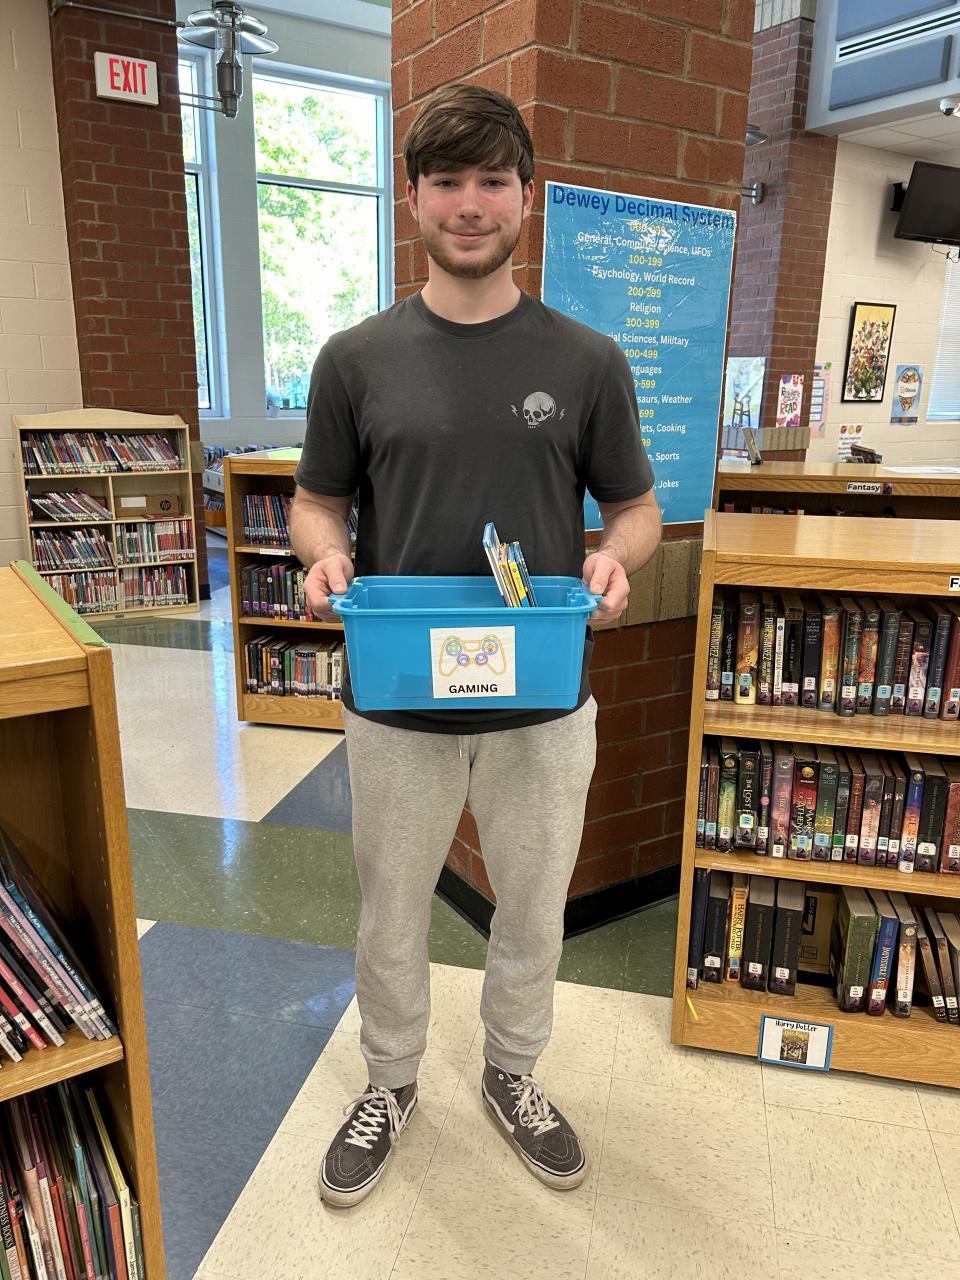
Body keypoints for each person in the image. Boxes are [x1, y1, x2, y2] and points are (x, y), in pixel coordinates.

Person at [289, 83, 662, 1210]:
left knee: (534, 906)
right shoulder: (354, 358)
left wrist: (615, 558)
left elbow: (636, 507)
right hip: (397, 696)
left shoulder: (587, 359)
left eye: (492, 180)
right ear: (412, 198)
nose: (469, 204)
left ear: (526, 197)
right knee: (390, 909)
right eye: (446, 181)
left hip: (542, 699)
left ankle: (513, 1070)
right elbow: (317, 501)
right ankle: (390, 1079)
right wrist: (323, 554)